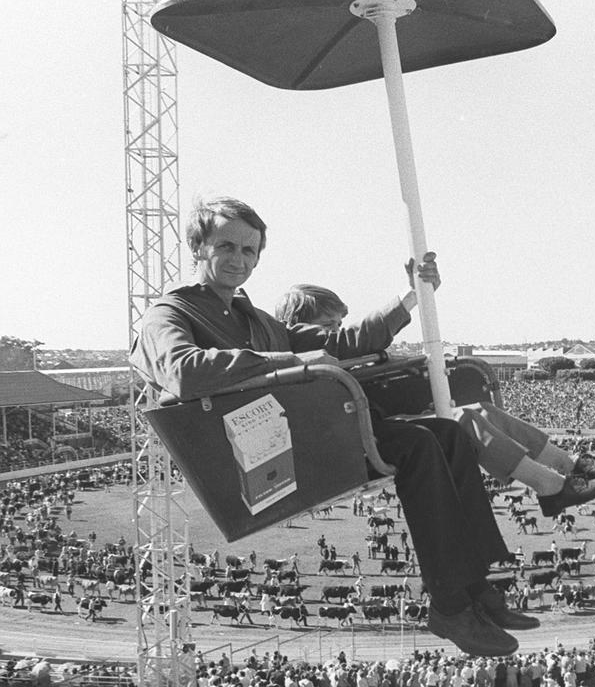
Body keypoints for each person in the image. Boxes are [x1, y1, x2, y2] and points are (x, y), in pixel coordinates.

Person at [129, 196, 531, 656]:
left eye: (249, 250)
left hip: (299, 436)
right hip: (258, 454)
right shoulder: (170, 314)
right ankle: (450, 605)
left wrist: (412, 297)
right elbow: (183, 370)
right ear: (198, 245)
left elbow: (342, 342)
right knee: (419, 443)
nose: (239, 259)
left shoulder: (257, 320)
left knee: (448, 433)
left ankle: (476, 588)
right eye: (227, 246)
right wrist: (289, 360)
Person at [275, 283, 595, 516]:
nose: (337, 329)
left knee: (481, 410)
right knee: (463, 420)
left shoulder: (325, 350)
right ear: (301, 324)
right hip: (362, 435)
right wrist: (413, 294)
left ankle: (569, 465)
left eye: (338, 323)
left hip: (370, 423)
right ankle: (551, 486)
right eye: (329, 323)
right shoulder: (301, 341)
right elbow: (355, 339)